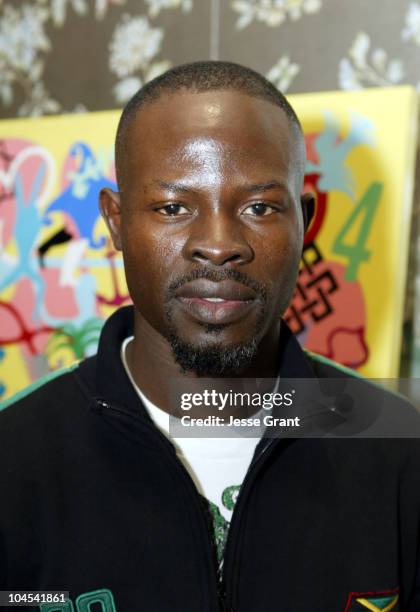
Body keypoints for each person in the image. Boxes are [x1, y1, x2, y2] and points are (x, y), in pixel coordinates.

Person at [1, 61, 420, 612]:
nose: (218, 244)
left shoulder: (400, 452)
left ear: (304, 221)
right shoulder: (14, 457)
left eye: (260, 207)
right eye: (173, 207)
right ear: (117, 222)